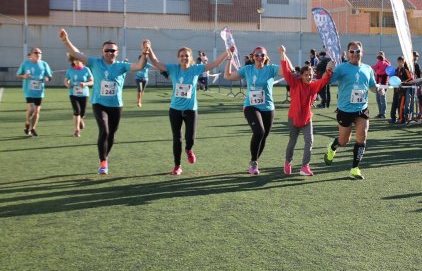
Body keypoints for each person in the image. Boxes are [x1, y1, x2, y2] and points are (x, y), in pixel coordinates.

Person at [59, 28, 150, 174]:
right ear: (102, 52)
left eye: (112, 51)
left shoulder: (121, 66)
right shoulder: (95, 63)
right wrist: (65, 41)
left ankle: (105, 156)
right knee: (104, 130)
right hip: (99, 104)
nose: (110, 53)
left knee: (112, 134)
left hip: (116, 105)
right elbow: (76, 54)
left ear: (117, 52)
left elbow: (139, 66)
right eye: (107, 50)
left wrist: (145, 52)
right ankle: (103, 162)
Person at [147, 45, 231, 174]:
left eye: (187, 55)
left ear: (190, 58)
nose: (184, 58)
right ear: (178, 58)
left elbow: (213, 64)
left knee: (190, 138)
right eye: (182, 56)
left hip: (191, 109)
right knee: (177, 138)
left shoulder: (196, 69)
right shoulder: (173, 68)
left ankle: (188, 149)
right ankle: (177, 166)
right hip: (175, 109)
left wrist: (227, 52)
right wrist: (149, 49)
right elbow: (155, 62)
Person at [323, 41, 379, 180]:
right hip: (345, 110)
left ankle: (355, 168)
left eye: (358, 51)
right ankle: (332, 147)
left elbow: (372, 86)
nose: (355, 54)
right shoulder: (341, 68)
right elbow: (327, 81)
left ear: (362, 52)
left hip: (362, 109)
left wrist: (379, 89)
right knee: (344, 141)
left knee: (362, 136)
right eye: (352, 51)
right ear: (348, 53)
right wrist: (328, 70)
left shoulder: (368, 68)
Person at [224, 45, 281, 175]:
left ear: (266, 57)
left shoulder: (271, 69)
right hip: (251, 106)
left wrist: (283, 55)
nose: (259, 57)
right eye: (257, 55)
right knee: (259, 132)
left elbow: (287, 71)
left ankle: (254, 161)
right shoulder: (248, 69)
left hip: (268, 108)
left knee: (264, 136)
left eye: (262, 55)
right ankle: (254, 162)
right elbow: (227, 76)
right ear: (252, 57)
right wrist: (229, 58)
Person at [279, 46, 335, 176]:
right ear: (301, 76)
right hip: (293, 118)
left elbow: (324, 80)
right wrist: (283, 54)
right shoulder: (295, 83)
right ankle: (288, 162)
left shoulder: (313, 86)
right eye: (306, 75)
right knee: (292, 142)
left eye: (310, 74)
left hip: (306, 119)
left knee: (309, 141)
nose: (309, 76)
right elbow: (287, 71)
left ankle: (305, 166)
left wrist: (329, 69)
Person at [16, 47, 53, 137]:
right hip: (28, 90)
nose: (38, 54)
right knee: (31, 109)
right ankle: (27, 121)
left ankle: (33, 128)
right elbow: (18, 74)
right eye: (36, 52)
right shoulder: (25, 64)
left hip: (39, 91)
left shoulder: (44, 64)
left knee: (36, 111)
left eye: (40, 53)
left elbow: (50, 76)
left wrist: (47, 78)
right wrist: (24, 76)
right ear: (31, 54)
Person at [64, 54, 94, 137]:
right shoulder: (70, 70)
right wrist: (67, 84)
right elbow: (66, 80)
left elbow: (92, 81)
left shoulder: (86, 69)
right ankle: (77, 130)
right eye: (75, 60)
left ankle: (80, 119)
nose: (77, 61)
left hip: (84, 94)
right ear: (72, 61)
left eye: (78, 59)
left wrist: (85, 83)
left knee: (82, 112)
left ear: (81, 60)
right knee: (77, 111)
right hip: (73, 93)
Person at [389, 56, 413, 124]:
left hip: (403, 91)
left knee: (401, 105)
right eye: (399, 62)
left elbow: (410, 78)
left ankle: (401, 119)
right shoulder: (396, 70)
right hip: (396, 90)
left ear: (403, 62)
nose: (399, 63)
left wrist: (402, 83)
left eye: (401, 62)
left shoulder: (405, 70)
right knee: (394, 104)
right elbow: (393, 79)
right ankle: (393, 118)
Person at [371, 54, 390, 118]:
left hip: (380, 84)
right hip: (383, 84)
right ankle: (382, 113)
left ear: (379, 59)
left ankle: (382, 113)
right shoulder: (387, 64)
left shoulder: (380, 63)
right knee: (381, 99)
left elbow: (374, 67)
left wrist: (371, 66)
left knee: (380, 99)